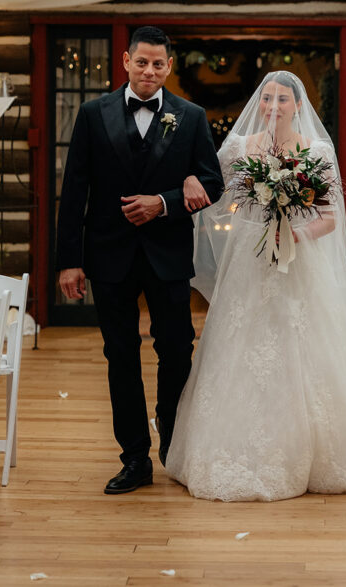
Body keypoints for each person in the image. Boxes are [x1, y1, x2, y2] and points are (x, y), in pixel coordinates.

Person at [166, 71, 346, 502]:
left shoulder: (316, 151)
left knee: (304, 343)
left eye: (283, 99)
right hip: (250, 260)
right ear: (259, 104)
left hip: (299, 263)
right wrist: (195, 185)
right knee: (241, 341)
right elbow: (214, 188)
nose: (274, 106)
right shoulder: (241, 147)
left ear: (299, 105)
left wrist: (295, 233)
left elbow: (331, 218)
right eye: (268, 99)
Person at [56, 26, 224, 494]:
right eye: (142, 62)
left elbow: (213, 181)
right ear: (126, 61)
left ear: (168, 67)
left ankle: (174, 444)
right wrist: (69, 261)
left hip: (168, 255)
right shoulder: (94, 114)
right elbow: (74, 190)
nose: (149, 70)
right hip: (108, 254)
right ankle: (134, 458)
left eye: (158, 64)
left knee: (176, 350)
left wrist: (165, 201)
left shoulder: (190, 117)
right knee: (120, 355)